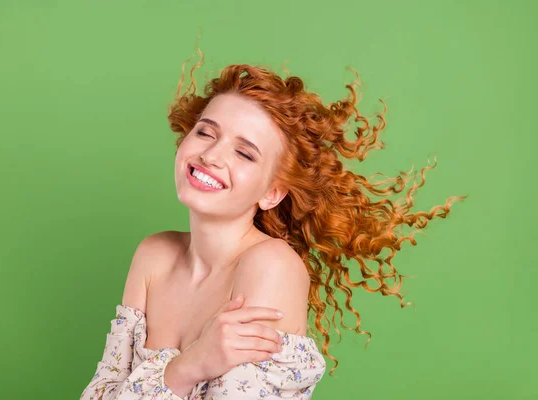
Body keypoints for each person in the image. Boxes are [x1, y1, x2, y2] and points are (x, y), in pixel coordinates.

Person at [79, 48, 466, 400]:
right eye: (205, 131)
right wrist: (188, 367)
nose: (211, 155)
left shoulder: (270, 266)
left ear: (272, 193)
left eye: (245, 154)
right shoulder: (154, 256)